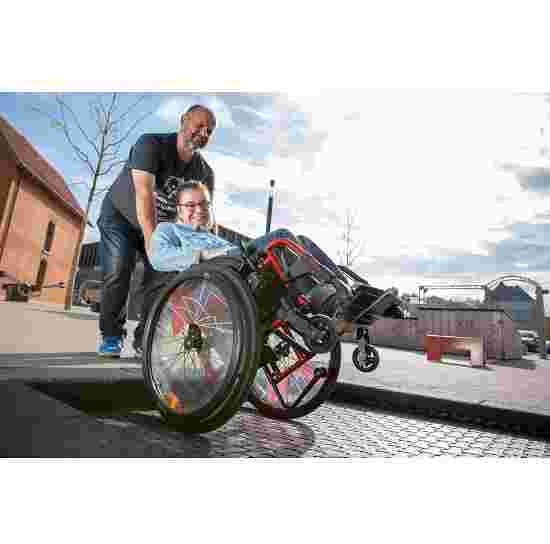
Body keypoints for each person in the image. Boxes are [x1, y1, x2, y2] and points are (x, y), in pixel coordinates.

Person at [148, 178, 404, 336]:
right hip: (217, 279)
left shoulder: (217, 237)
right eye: (191, 205)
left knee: (300, 243)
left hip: (242, 271)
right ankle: (338, 304)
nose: (198, 210)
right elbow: (158, 258)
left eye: (203, 204)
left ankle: (346, 296)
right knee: (282, 237)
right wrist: (200, 254)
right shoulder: (168, 230)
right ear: (179, 210)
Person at [97, 105, 217, 358]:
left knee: (163, 279)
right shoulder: (151, 144)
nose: (203, 132)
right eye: (199, 125)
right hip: (122, 217)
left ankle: (146, 339)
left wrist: (205, 250)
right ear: (183, 120)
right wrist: (153, 244)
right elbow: (144, 194)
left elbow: (202, 216)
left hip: (161, 226)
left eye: (210, 130)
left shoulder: (205, 173)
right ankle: (111, 335)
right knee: (119, 270)